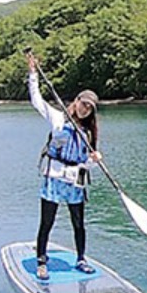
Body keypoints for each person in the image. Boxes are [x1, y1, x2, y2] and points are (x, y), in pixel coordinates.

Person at [26, 53, 102, 281]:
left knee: (78, 224)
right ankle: (41, 260)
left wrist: (94, 160)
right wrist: (33, 74)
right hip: (53, 178)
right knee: (47, 222)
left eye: (89, 108)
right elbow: (36, 100)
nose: (84, 110)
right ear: (76, 102)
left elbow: (85, 164)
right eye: (83, 104)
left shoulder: (88, 132)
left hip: (74, 183)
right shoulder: (59, 119)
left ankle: (81, 259)